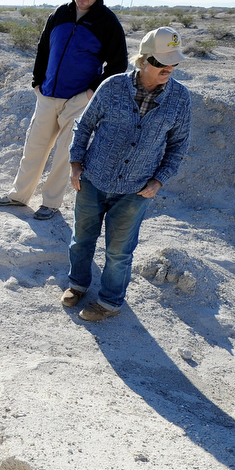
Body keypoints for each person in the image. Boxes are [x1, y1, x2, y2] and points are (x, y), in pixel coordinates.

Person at [61, 27, 191, 321]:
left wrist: (159, 180)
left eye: (174, 63)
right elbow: (85, 126)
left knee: (119, 251)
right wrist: (75, 164)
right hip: (93, 180)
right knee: (81, 239)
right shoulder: (112, 87)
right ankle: (78, 284)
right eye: (161, 62)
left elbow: (179, 145)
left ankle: (109, 302)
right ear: (144, 60)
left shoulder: (180, 99)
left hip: (136, 190)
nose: (169, 68)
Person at [0, 0, 127, 220]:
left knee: (65, 153)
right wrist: (37, 83)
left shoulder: (107, 22)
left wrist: (90, 92)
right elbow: (43, 49)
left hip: (78, 100)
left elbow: (119, 65)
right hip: (47, 95)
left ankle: (50, 204)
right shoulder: (59, 14)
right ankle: (19, 196)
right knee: (34, 147)